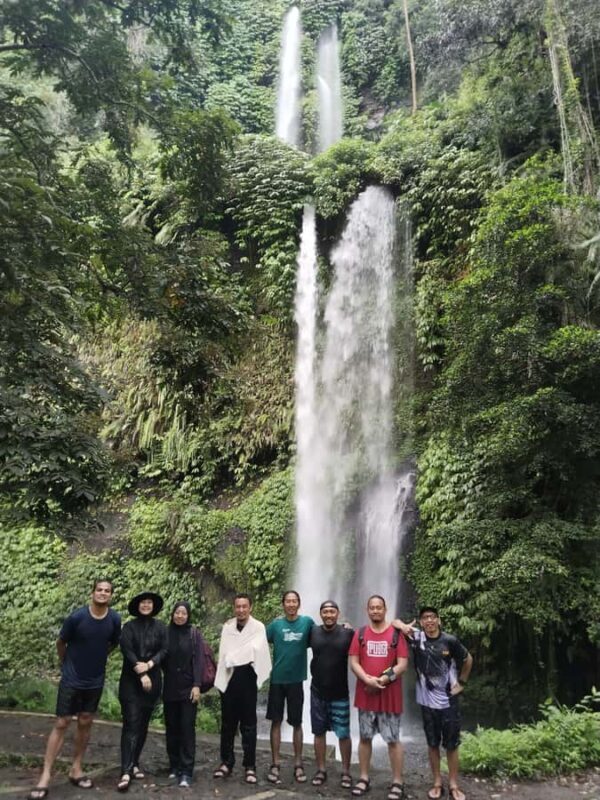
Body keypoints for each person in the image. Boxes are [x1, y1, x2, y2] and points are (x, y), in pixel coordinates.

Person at [28, 579, 121, 800]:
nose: (103, 593)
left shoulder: (114, 619)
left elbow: (112, 643)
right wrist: (66, 665)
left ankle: (76, 768)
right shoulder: (78, 617)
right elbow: (61, 643)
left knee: (86, 721)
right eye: (99, 590)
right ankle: (46, 775)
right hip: (72, 678)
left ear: (111, 595)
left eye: (107, 591)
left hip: (95, 680)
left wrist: (97, 660)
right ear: (92, 593)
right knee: (61, 722)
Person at [397, 607, 473, 800]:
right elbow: (393, 622)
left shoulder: (450, 640)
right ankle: (437, 782)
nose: (429, 621)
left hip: (449, 702)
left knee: (452, 745)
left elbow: (468, 659)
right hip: (426, 703)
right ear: (421, 622)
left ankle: (454, 784)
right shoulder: (417, 638)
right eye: (425, 618)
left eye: (432, 617)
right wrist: (404, 626)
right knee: (432, 744)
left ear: (438, 620)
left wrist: (462, 683)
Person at [349, 595, 409, 800]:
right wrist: (367, 679)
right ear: (367, 610)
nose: (375, 611)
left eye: (379, 608)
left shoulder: (396, 635)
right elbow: (354, 662)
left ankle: (397, 782)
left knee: (393, 740)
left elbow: (402, 665)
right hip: (366, 695)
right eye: (372, 608)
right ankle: (364, 778)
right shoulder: (361, 634)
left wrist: (383, 679)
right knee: (365, 737)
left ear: (385, 609)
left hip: (389, 697)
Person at [213, 593, 271, 784]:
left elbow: (257, 650)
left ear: (250, 607)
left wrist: (235, 656)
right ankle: (226, 762)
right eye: (238, 607)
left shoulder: (258, 627)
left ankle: (250, 766)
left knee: (249, 725)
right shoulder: (228, 628)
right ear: (234, 608)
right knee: (228, 725)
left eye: (244, 606)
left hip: (247, 679)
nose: (241, 610)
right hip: (229, 679)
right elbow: (224, 654)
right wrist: (230, 660)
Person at [117, 591, 168, 793]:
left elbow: (164, 650)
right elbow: (127, 650)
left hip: (153, 681)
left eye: (149, 603)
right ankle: (126, 770)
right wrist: (140, 672)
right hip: (131, 681)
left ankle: (135, 761)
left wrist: (150, 664)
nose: (146, 605)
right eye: (143, 603)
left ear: (153, 606)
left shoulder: (161, 627)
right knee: (131, 722)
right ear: (137, 606)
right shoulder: (129, 627)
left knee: (144, 723)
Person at [266, 589, 314, 785]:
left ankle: (298, 763)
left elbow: (324, 635)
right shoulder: (276, 625)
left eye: (294, 601)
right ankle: (275, 763)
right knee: (275, 721)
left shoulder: (307, 623)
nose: (291, 604)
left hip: (296, 680)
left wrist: (345, 627)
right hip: (277, 679)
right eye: (288, 601)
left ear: (299, 604)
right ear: (283, 604)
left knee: (297, 722)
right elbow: (257, 640)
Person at [308, 600, 354, 789]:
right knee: (318, 732)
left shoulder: (348, 633)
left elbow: (370, 639)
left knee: (343, 734)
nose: (328, 615)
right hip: (317, 691)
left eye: (332, 611)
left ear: (338, 613)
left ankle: (346, 772)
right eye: (325, 612)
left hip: (340, 693)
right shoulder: (313, 632)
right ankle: (321, 770)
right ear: (321, 614)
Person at [162, 601, 205, 788]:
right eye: (177, 613)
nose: (180, 616)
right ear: (172, 614)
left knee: (187, 729)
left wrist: (197, 685)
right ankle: (174, 766)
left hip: (188, 689)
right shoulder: (165, 633)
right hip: (170, 687)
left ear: (188, 616)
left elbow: (199, 661)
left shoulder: (193, 634)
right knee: (172, 728)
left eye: (184, 613)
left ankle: (187, 771)